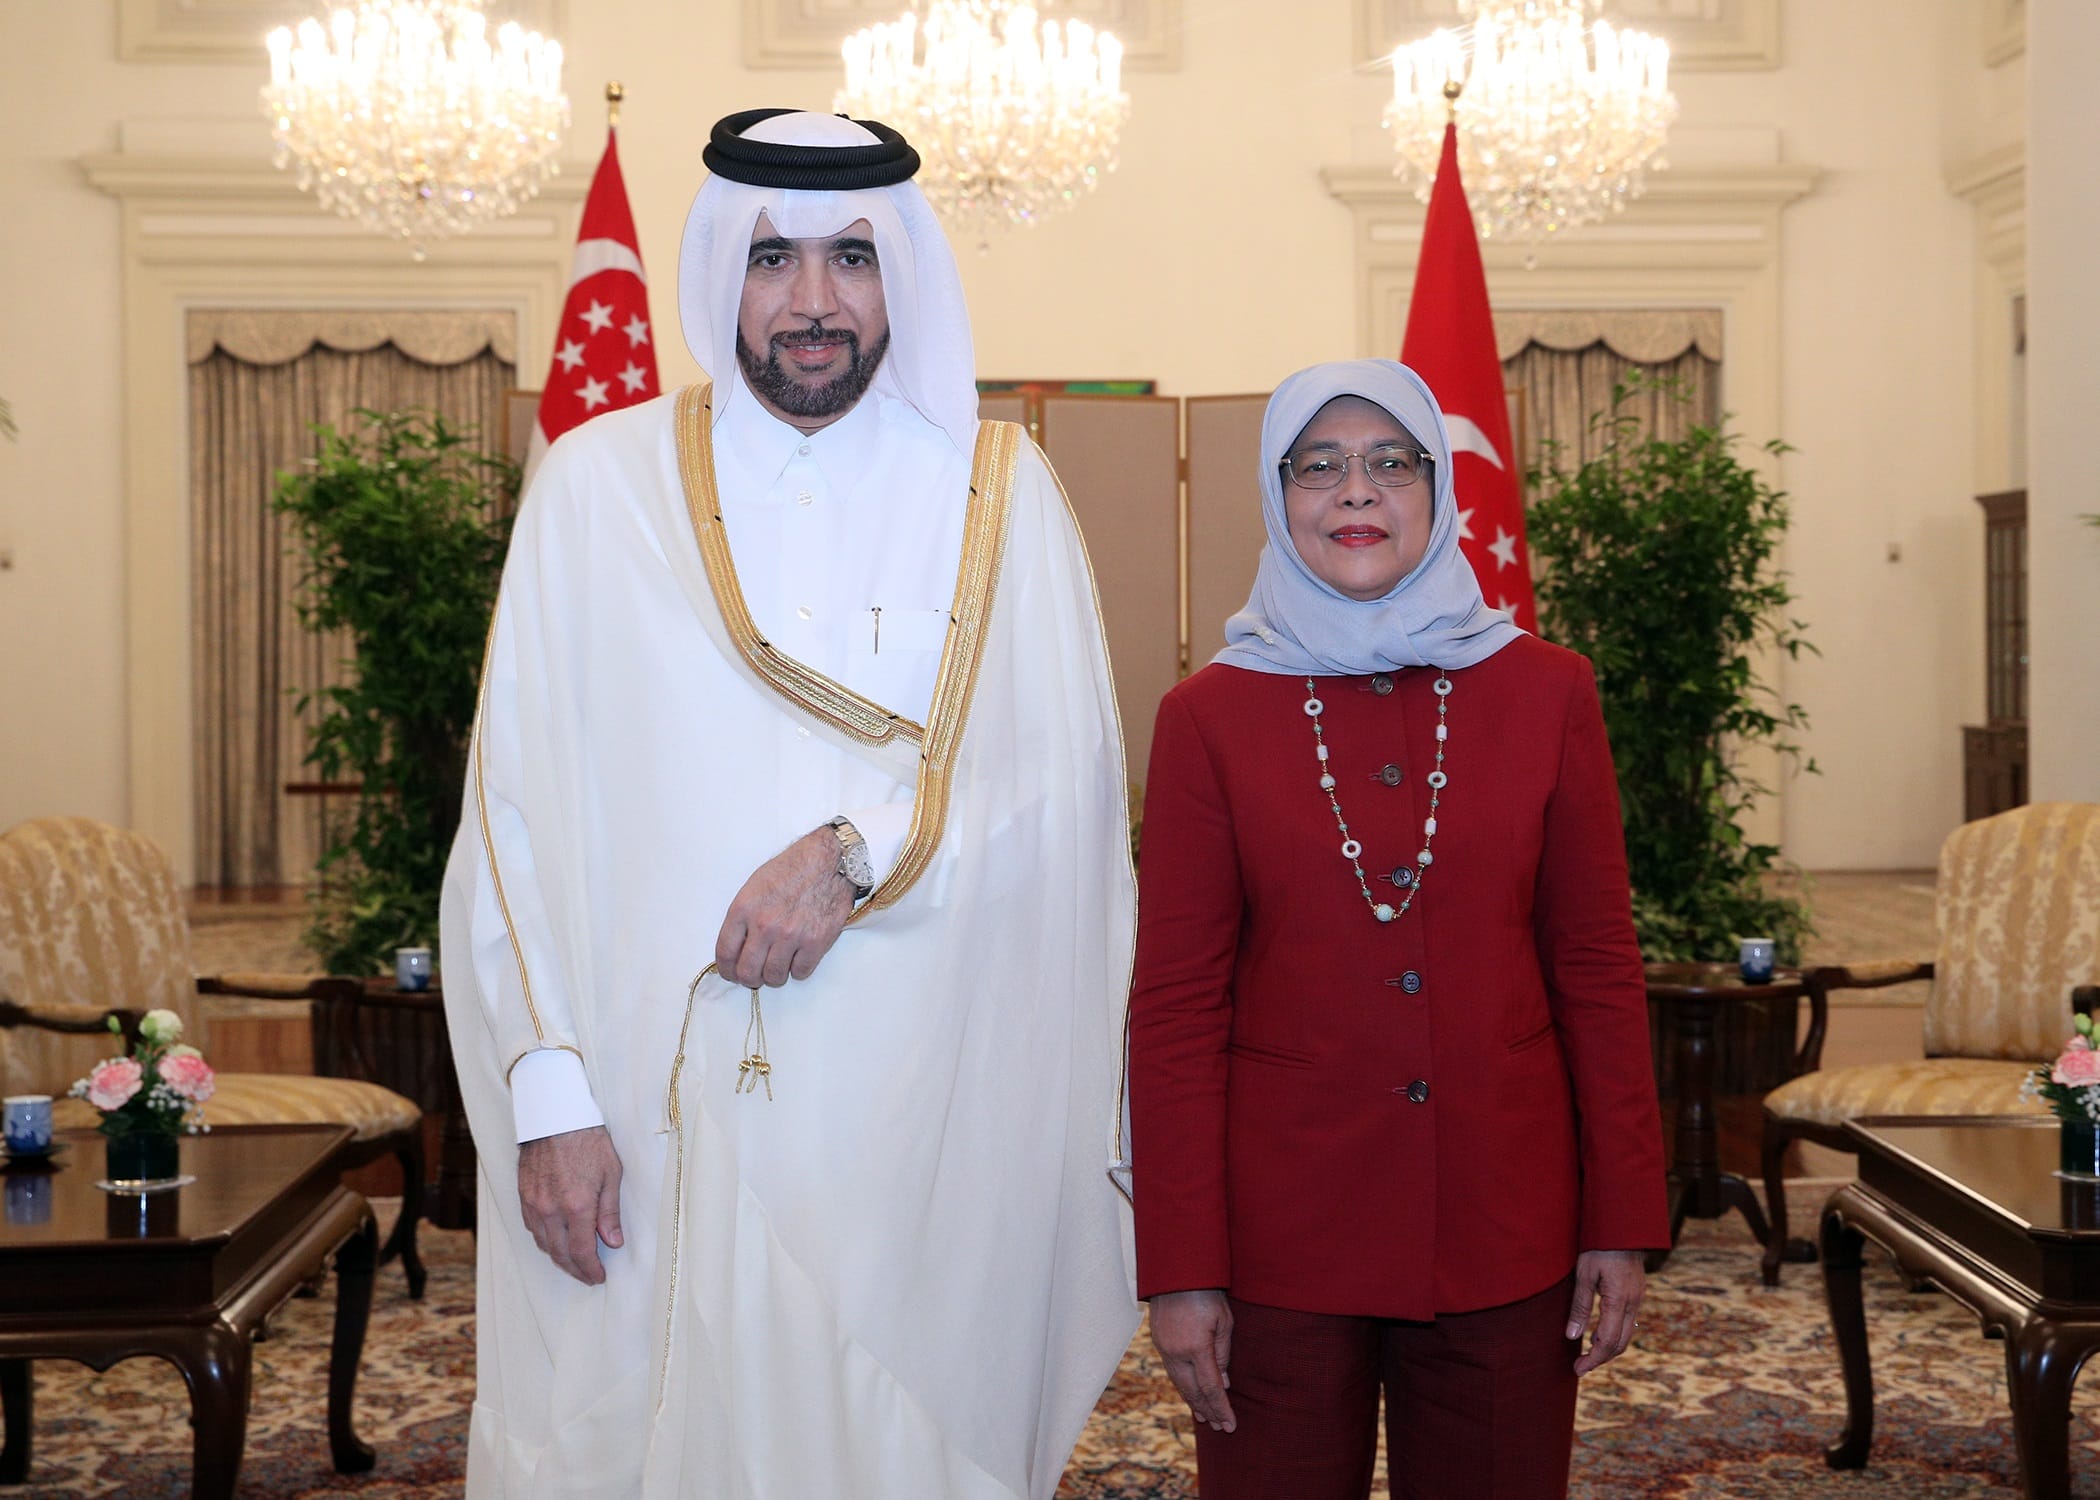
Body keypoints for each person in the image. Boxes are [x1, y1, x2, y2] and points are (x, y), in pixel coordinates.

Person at [439, 107, 1139, 1499]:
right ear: (718, 273)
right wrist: (549, 1093)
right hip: (642, 1110)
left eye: (853, 260)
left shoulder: (996, 495)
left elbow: (1059, 792)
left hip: (922, 1137)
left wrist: (854, 850)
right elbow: (509, 812)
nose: (813, 303)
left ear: (906, 281)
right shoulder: (596, 492)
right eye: (772, 258)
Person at [1127, 359, 1669, 1499]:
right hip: (1277, 1240)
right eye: (1318, 466)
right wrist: (1179, 1269)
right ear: (1279, 500)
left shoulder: (1547, 691)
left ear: (1437, 494)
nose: (1355, 492)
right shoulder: (1205, 717)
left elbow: (1597, 972)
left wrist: (1619, 1217)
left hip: (1506, 1225)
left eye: (1389, 463)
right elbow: (1175, 1007)